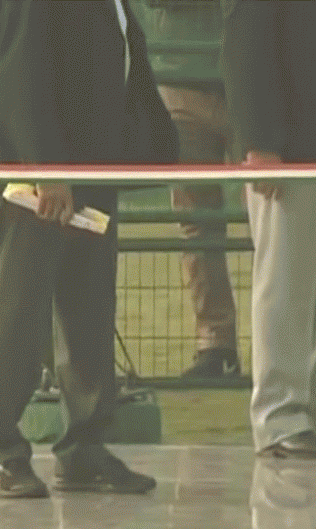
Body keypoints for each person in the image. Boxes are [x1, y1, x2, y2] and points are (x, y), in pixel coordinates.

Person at [0, 0, 179, 499]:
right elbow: (20, 68)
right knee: (18, 307)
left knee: (89, 306)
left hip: (95, 165)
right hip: (39, 178)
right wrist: (47, 165)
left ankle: (86, 447)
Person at [221, 0, 316, 460]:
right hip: (289, 153)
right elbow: (246, 42)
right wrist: (259, 142)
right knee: (284, 283)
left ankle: (305, 409)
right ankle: (280, 417)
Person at [144, 0, 241, 379]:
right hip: (181, 77)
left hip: (254, 76)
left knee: (281, 218)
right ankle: (216, 346)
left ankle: (297, 345)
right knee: (196, 220)